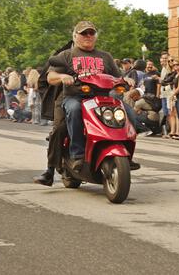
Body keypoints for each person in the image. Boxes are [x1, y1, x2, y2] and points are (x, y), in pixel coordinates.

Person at [33, 21, 140, 186]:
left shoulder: (105, 56)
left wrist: (126, 80)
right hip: (75, 97)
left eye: (91, 33)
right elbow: (50, 77)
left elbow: (117, 76)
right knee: (65, 121)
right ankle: (74, 156)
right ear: (75, 36)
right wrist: (62, 77)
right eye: (84, 33)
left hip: (102, 99)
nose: (88, 36)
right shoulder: (67, 55)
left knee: (129, 114)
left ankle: (126, 154)